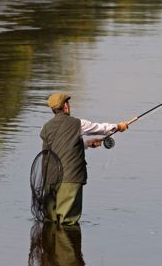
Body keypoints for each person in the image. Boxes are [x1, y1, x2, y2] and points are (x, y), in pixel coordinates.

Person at [40, 93, 128, 225]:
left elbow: (57, 148)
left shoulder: (45, 127)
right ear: (65, 106)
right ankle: (67, 244)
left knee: (50, 221)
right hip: (70, 179)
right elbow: (100, 128)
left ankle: (49, 244)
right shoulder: (78, 124)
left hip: (49, 179)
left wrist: (86, 144)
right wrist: (119, 126)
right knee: (67, 222)